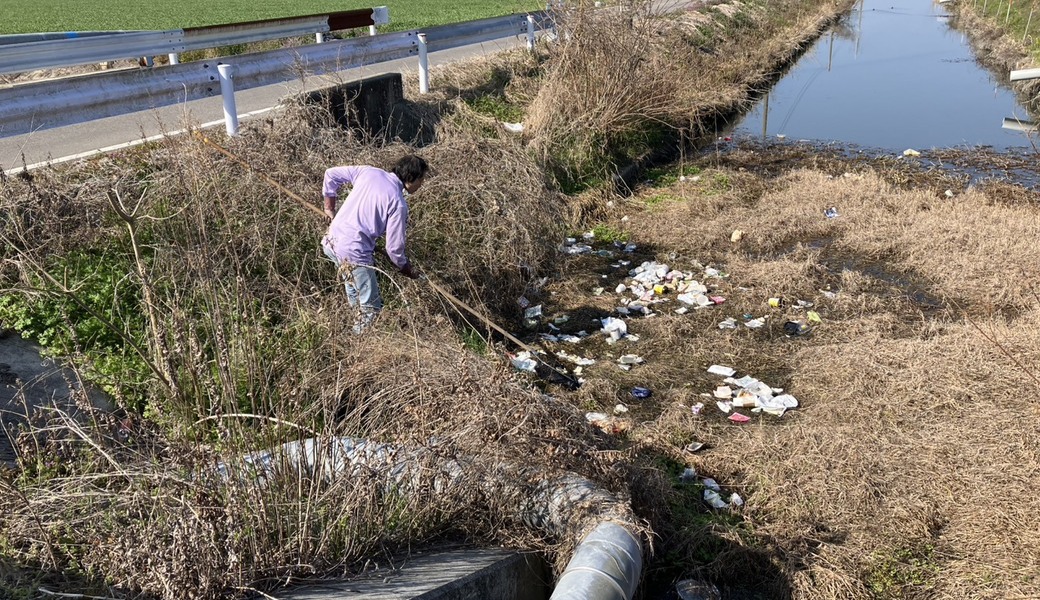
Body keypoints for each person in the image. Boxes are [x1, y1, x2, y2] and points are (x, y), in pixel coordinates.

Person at [321, 154, 428, 333]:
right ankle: (357, 345)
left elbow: (330, 174)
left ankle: (352, 327)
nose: (421, 184)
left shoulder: (368, 172)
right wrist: (406, 269)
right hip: (354, 251)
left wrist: (328, 208)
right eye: (421, 179)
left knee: (354, 289)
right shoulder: (398, 203)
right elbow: (394, 249)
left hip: (331, 241)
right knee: (371, 306)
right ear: (411, 179)